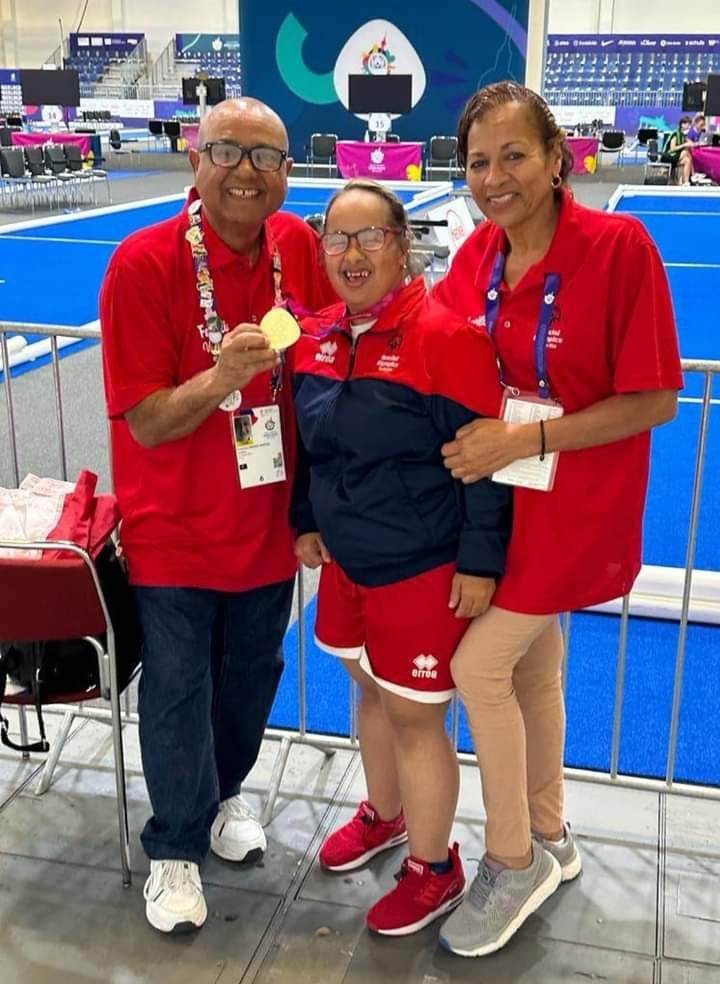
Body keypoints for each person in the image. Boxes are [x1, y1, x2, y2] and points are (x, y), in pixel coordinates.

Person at [432, 81, 683, 958]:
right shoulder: (477, 255)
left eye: (514, 156)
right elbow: (436, 344)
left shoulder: (618, 248)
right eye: (478, 162)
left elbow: (655, 398)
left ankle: (512, 861)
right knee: (534, 674)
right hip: (502, 507)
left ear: (555, 159)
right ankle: (550, 832)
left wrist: (526, 437)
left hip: (577, 505)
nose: (494, 178)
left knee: (478, 667)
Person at [100, 97, 334, 934]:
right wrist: (221, 377)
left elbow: (337, 344)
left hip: (268, 521)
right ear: (194, 160)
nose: (245, 171)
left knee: (249, 678)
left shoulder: (298, 246)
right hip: (172, 526)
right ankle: (173, 846)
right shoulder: (141, 264)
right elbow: (146, 421)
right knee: (176, 688)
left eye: (266, 157)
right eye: (228, 151)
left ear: (287, 173)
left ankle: (226, 791)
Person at [292, 179, 512, 936]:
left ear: (402, 245)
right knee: (372, 691)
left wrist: (479, 561)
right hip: (347, 562)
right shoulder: (320, 336)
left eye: (370, 236)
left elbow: (484, 461)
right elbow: (310, 448)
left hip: (420, 567)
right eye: (337, 238)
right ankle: (386, 815)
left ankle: (434, 868)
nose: (352, 253)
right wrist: (304, 520)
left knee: (417, 717)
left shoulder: (444, 336)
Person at [661, 116, 694, 183]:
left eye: (689, 125)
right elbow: (672, 149)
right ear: (682, 124)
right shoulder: (675, 134)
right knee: (685, 151)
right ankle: (693, 174)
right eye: (688, 125)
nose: (689, 127)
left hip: (676, 156)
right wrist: (684, 145)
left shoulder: (683, 135)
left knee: (687, 160)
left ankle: (686, 182)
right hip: (668, 155)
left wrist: (699, 143)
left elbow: (691, 143)